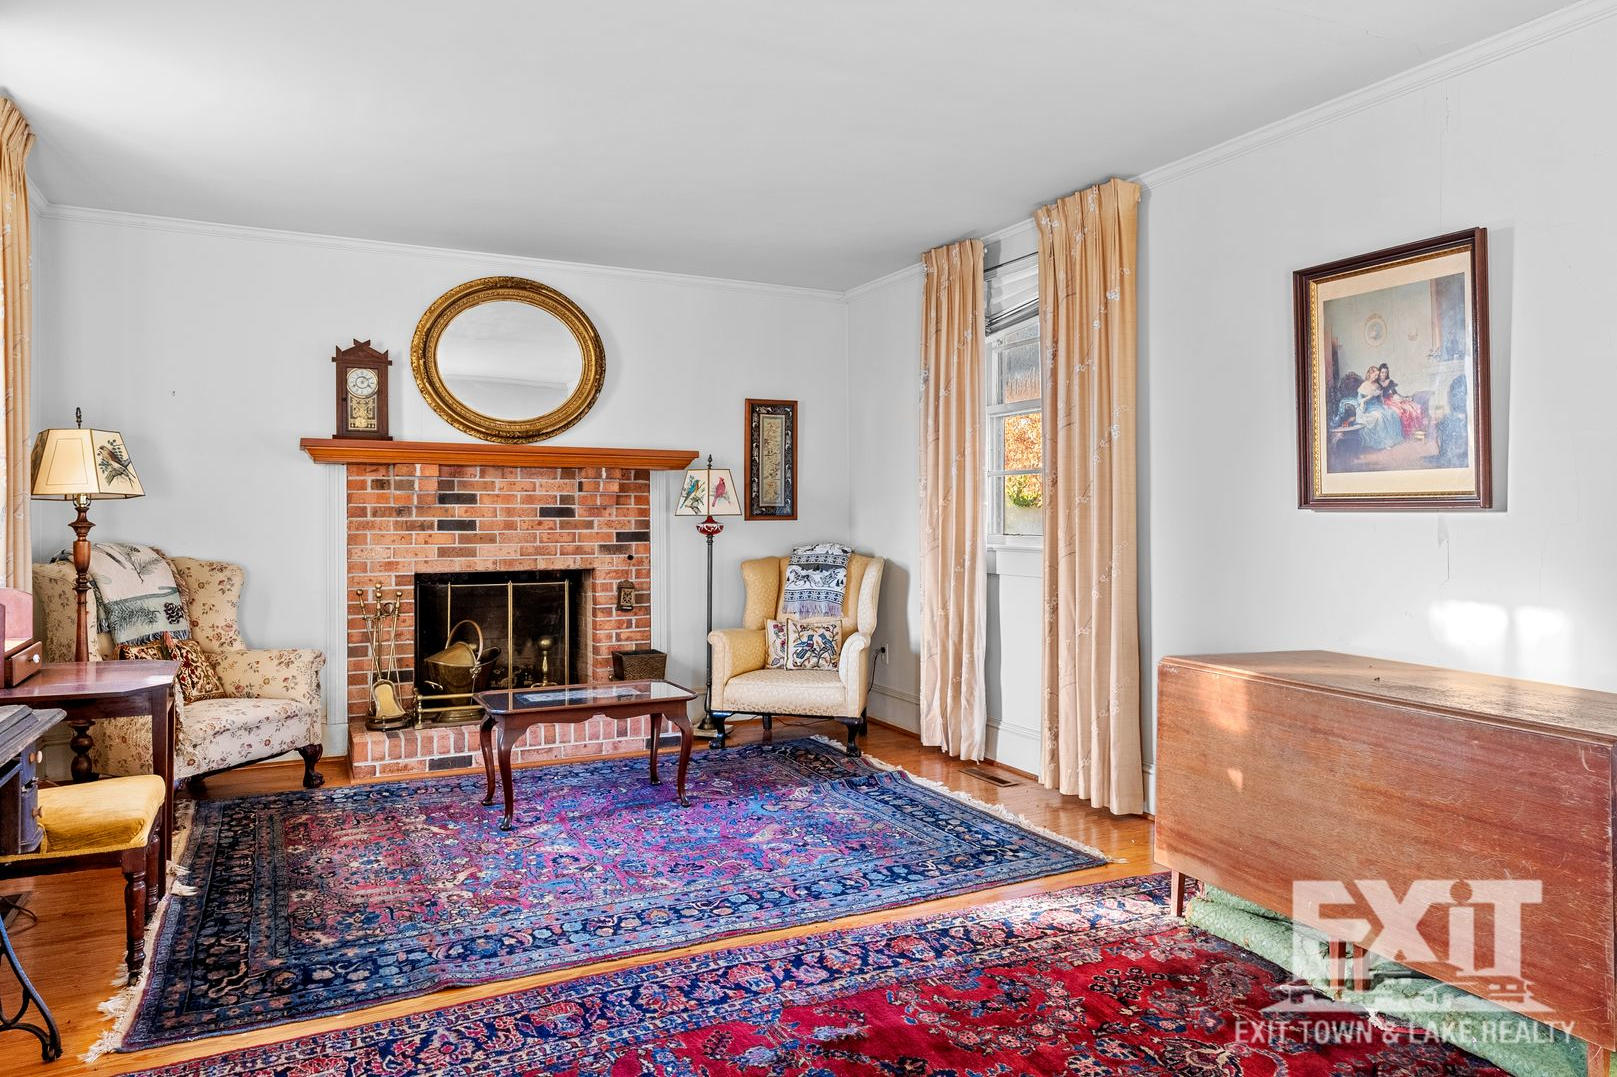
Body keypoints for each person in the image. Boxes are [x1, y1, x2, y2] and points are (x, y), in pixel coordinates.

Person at [1378, 362, 1426, 438]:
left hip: (1391, 398)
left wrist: (1402, 398)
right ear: (1379, 373)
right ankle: (1404, 433)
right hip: (1383, 401)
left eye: (1386, 372)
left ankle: (1415, 432)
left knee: (1410, 407)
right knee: (1400, 411)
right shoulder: (1377, 382)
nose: (1384, 374)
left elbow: (1394, 393)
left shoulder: (1389, 381)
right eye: (1382, 372)